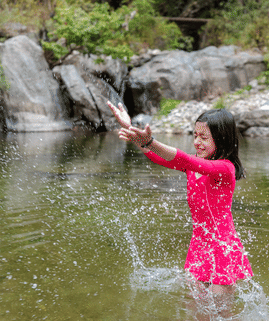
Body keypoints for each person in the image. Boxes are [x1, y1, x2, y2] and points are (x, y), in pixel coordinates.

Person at [107, 102, 253, 292]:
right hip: (199, 245)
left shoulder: (225, 168)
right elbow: (157, 156)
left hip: (222, 248)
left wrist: (149, 141)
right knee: (193, 314)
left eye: (204, 137)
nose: (197, 142)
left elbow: (183, 158)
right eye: (195, 135)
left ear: (222, 139)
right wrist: (131, 129)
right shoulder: (195, 164)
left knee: (222, 316)